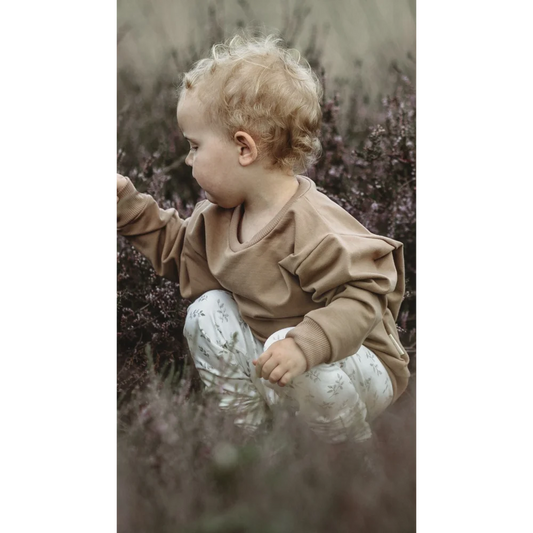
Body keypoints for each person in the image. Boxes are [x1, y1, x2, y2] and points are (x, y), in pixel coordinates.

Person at [114, 34, 410, 445]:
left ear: (244, 148)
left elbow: (363, 296)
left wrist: (305, 345)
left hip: (357, 363)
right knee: (206, 311)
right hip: (284, 364)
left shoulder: (312, 225)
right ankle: (256, 448)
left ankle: (346, 464)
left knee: (284, 341)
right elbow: (180, 256)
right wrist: (128, 207)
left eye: (195, 146)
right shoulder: (218, 219)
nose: (188, 160)